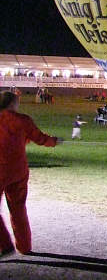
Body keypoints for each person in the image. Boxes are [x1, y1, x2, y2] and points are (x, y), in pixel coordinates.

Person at [0, 91, 61, 255]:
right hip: (19, 170)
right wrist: (54, 141)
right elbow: (39, 138)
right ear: (12, 104)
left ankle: (5, 244)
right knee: (18, 209)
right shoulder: (23, 120)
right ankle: (24, 246)